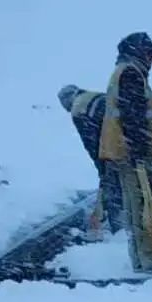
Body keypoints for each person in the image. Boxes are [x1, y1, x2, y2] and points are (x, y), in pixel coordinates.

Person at [98, 31, 152, 271]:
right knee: (144, 206)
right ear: (137, 53)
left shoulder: (124, 72)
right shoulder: (131, 74)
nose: (151, 60)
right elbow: (133, 117)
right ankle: (151, 261)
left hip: (126, 152)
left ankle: (141, 260)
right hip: (135, 153)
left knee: (135, 206)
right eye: (148, 54)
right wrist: (141, 151)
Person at [57, 84, 123, 233]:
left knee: (112, 185)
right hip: (129, 136)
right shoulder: (95, 95)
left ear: (67, 101)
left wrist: (101, 168)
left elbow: (91, 143)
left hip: (113, 143)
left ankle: (118, 226)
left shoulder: (78, 109)